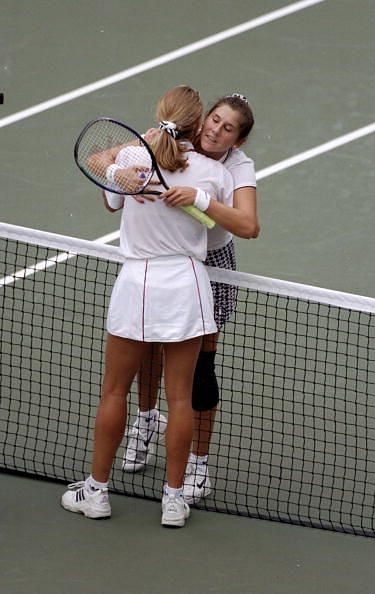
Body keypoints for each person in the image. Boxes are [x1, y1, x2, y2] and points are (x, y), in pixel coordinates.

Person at [60, 85, 234, 528]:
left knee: (115, 390)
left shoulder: (131, 164)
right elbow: (218, 233)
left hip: (137, 282)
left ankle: (96, 492)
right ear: (198, 126)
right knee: (180, 398)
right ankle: (173, 502)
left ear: (158, 118)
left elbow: (108, 194)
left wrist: (140, 155)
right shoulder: (214, 173)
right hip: (188, 285)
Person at [120, 93, 259, 505]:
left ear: (238, 141)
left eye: (227, 128)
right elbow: (105, 157)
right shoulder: (172, 139)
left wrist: (202, 200)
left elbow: (249, 225)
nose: (215, 130)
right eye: (214, 120)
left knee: (200, 364)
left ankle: (198, 462)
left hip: (210, 263)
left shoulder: (237, 167)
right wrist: (119, 173)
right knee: (147, 346)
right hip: (161, 253)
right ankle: (145, 422)